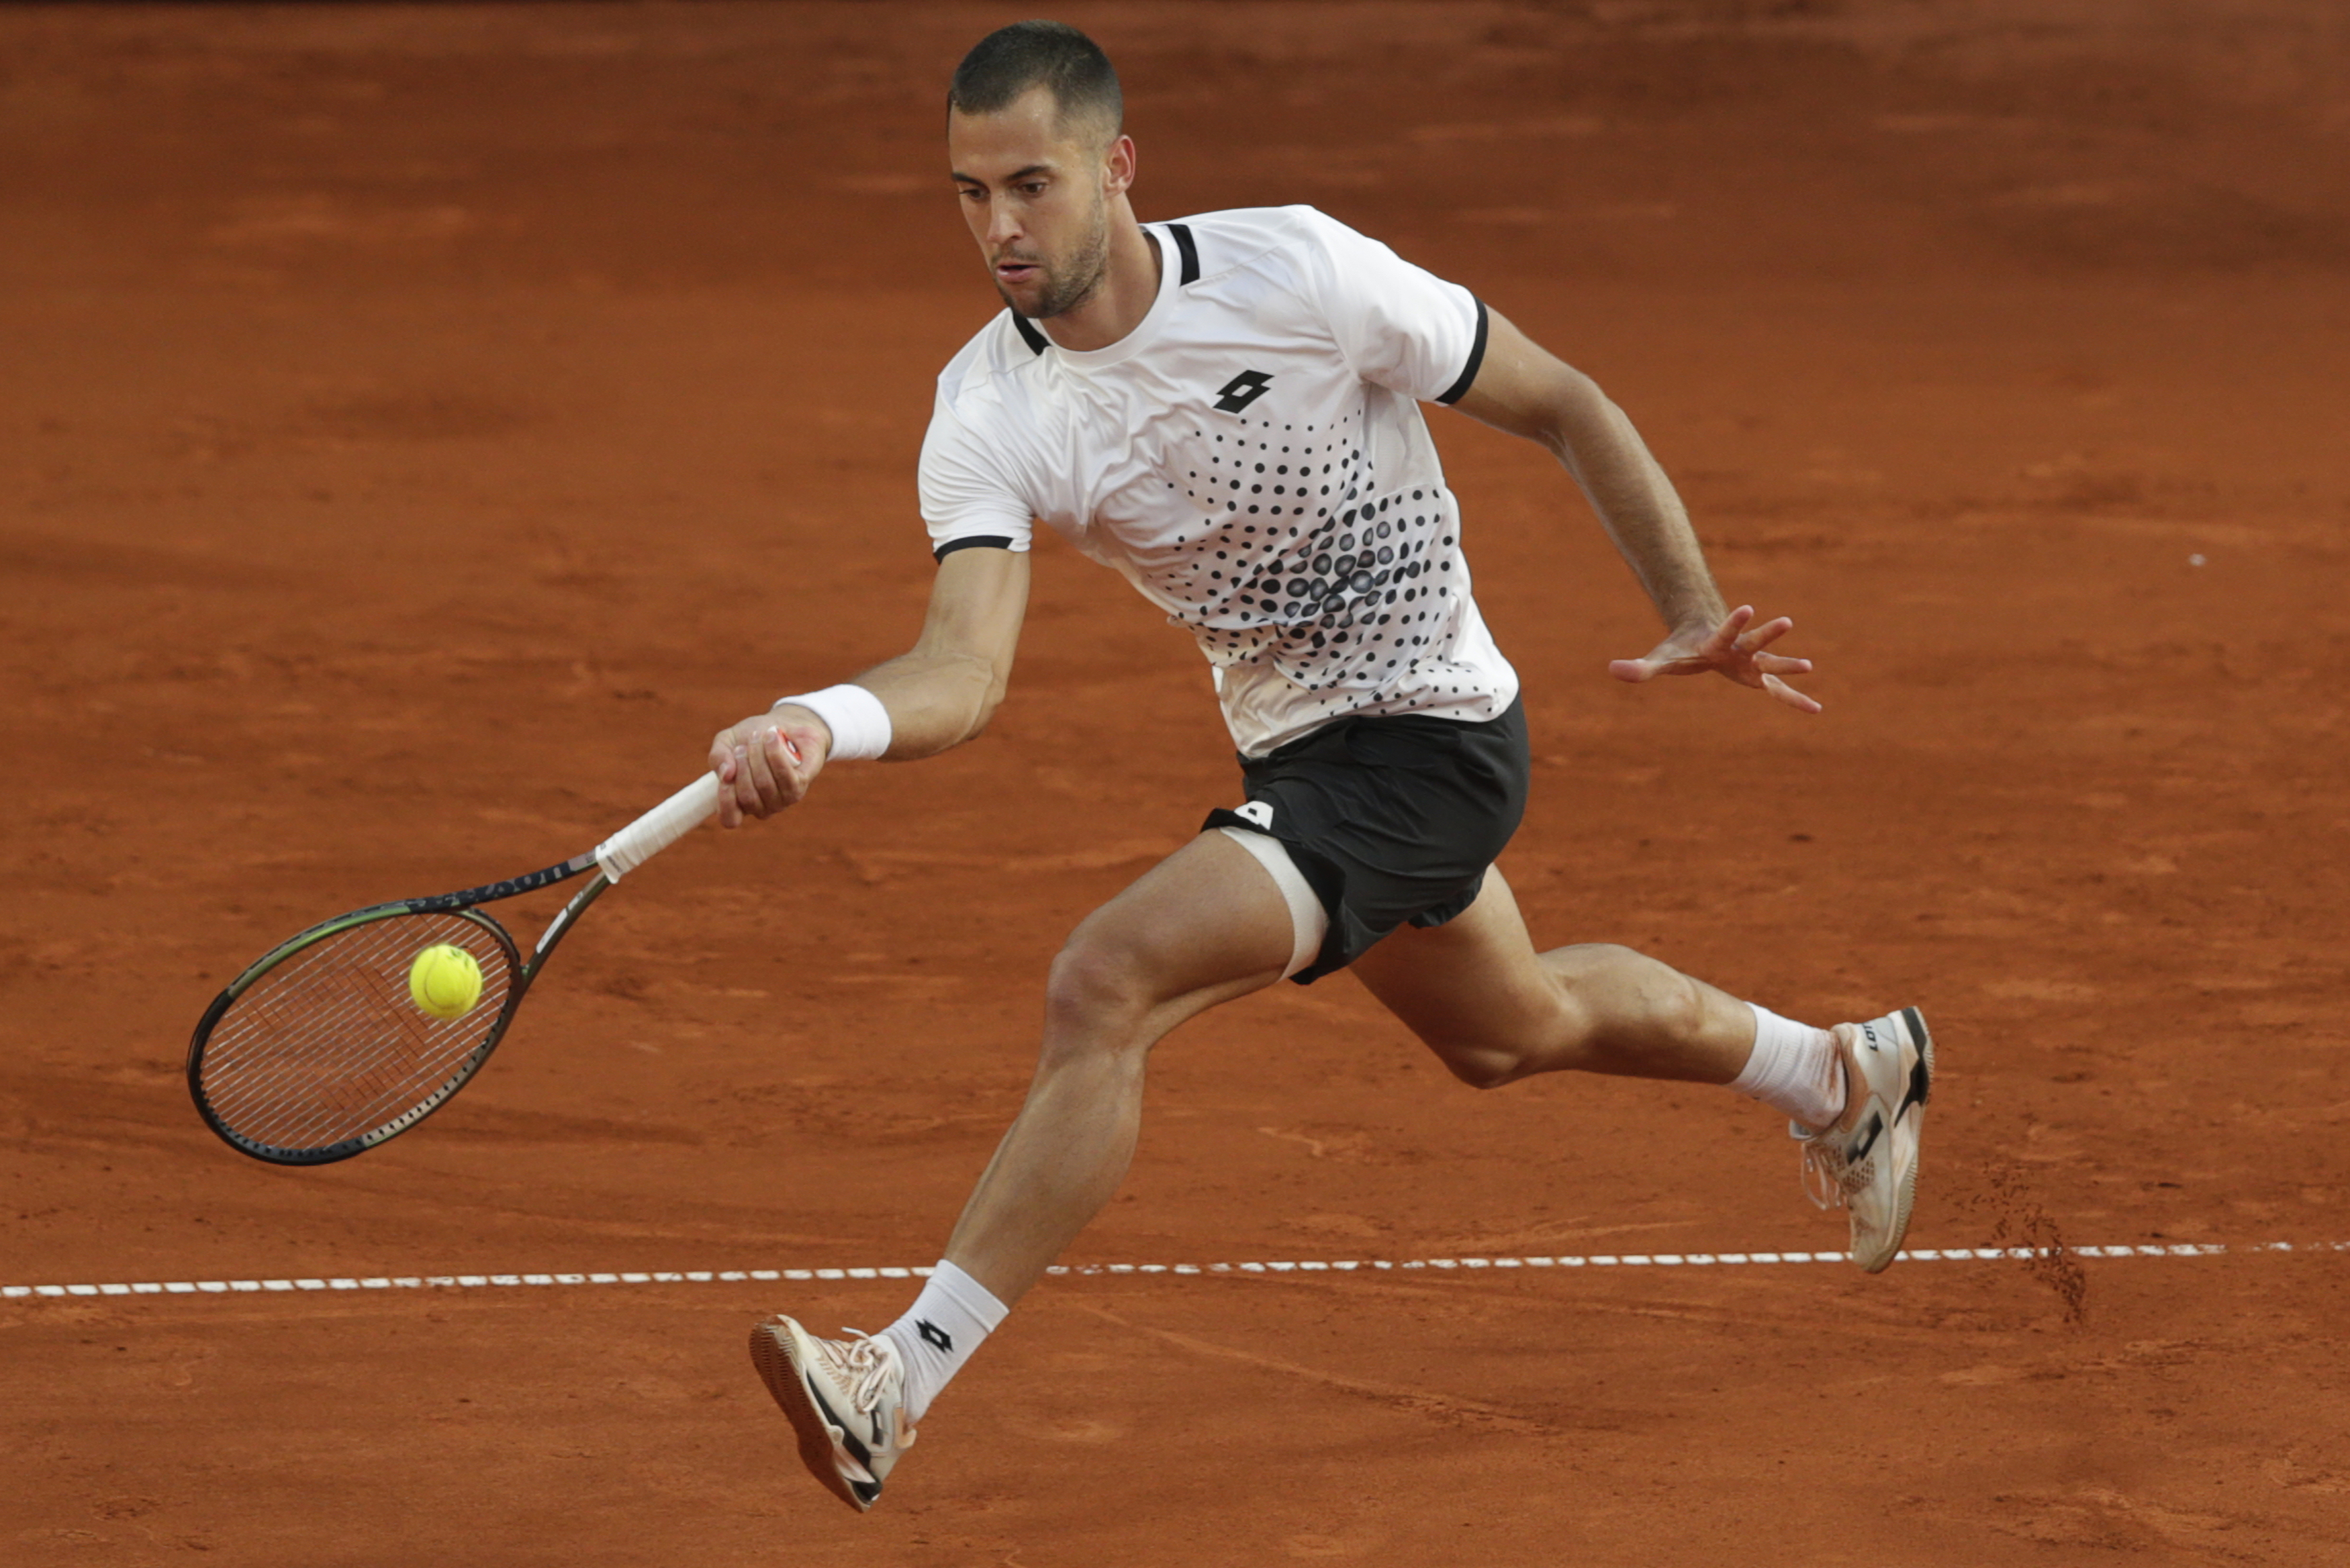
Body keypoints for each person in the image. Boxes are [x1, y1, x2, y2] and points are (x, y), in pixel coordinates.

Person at [710, 20, 1932, 1514]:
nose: (1000, 227)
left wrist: (1689, 609)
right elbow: (961, 670)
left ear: (1117, 167)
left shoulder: (1299, 272)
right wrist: (813, 722)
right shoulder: (988, 407)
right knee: (1511, 1027)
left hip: (1433, 742)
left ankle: (898, 1372)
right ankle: (1840, 1070)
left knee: (1107, 980)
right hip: (1300, 751)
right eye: (969, 194)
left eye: (1029, 182)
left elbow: (1562, 400)